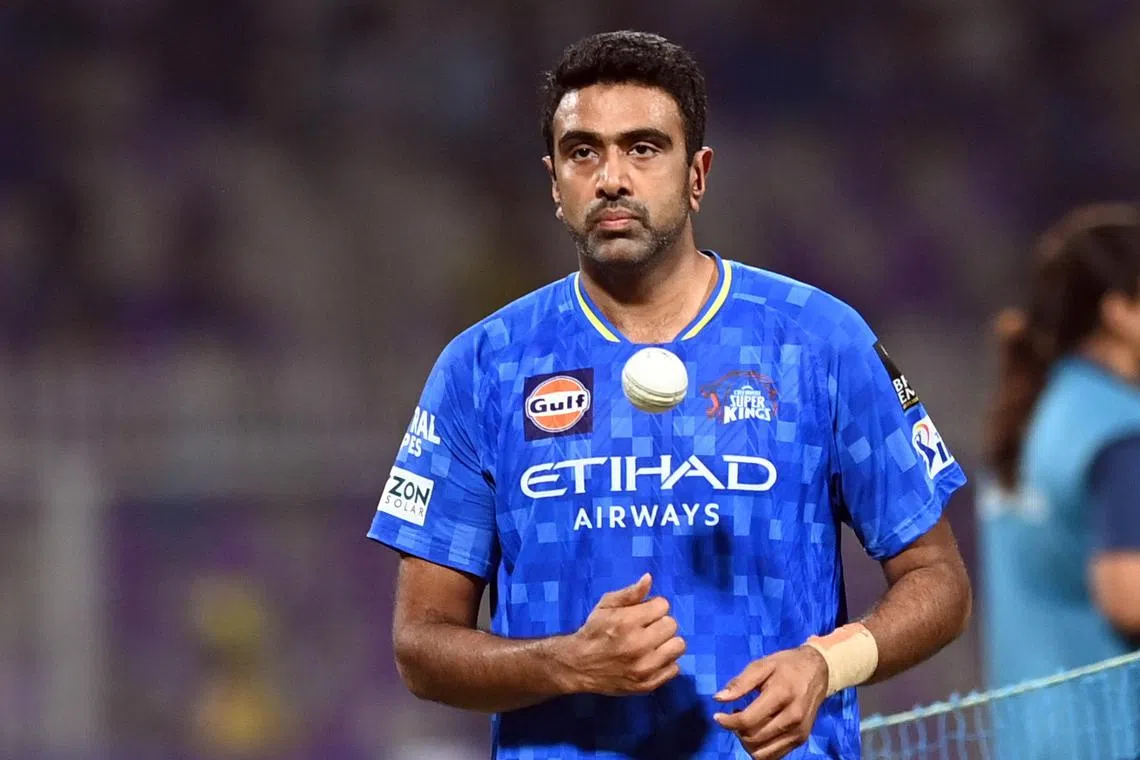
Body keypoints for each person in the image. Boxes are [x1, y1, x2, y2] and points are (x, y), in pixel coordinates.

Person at [367, 30, 971, 760]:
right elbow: (420, 646)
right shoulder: (482, 367)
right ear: (554, 182)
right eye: (583, 152)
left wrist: (825, 664)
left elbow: (938, 581)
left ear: (697, 175)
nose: (612, 177)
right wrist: (567, 661)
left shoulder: (819, 341)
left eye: (644, 148)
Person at [979, 204, 1140, 757]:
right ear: (1120, 311)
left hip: (1030, 740)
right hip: (1113, 737)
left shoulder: (1032, 416)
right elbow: (1128, 595)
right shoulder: (1119, 429)